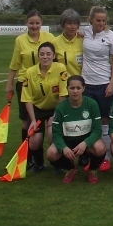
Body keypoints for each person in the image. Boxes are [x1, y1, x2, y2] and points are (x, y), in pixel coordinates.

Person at [6, 10, 55, 153]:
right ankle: (28, 155)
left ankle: (48, 156)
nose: (34, 26)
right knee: (27, 121)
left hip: (44, 82)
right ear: (26, 23)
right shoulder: (20, 40)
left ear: (41, 23)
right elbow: (15, 63)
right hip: (25, 83)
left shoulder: (49, 37)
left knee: (44, 119)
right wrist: (9, 84)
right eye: (31, 23)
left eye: (37, 23)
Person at [46, 75, 106, 184]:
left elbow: (97, 130)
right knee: (51, 153)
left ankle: (92, 170)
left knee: (100, 148)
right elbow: (56, 134)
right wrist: (64, 148)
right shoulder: (61, 108)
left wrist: (85, 143)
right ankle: (70, 168)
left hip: (86, 140)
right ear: (67, 89)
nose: (75, 91)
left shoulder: (92, 104)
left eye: (78, 88)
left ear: (83, 88)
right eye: (72, 88)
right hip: (68, 141)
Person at [82, 6, 113, 172]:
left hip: (104, 83)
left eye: (104, 20)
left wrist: (112, 82)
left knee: (105, 121)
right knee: (89, 122)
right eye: (98, 20)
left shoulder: (112, 37)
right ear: (91, 20)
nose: (101, 23)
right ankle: (91, 157)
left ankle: (106, 158)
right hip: (86, 84)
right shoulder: (85, 32)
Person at [21, 42, 68, 172]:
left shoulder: (60, 68)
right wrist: (33, 120)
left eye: (48, 54)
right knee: (34, 141)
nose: (45, 57)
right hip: (37, 110)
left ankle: (57, 164)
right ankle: (39, 162)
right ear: (38, 56)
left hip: (56, 108)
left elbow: (63, 94)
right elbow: (27, 98)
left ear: (53, 56)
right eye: (42, 54)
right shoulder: (30, 72)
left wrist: (56, 115)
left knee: (53, 134)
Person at [51, 8, 83, 76]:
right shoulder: (54, 43)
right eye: (69, 23)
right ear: (63, 24)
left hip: (81, 83)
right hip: (63, 83)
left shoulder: (83, 41)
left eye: (75, 23)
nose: (72, 27)